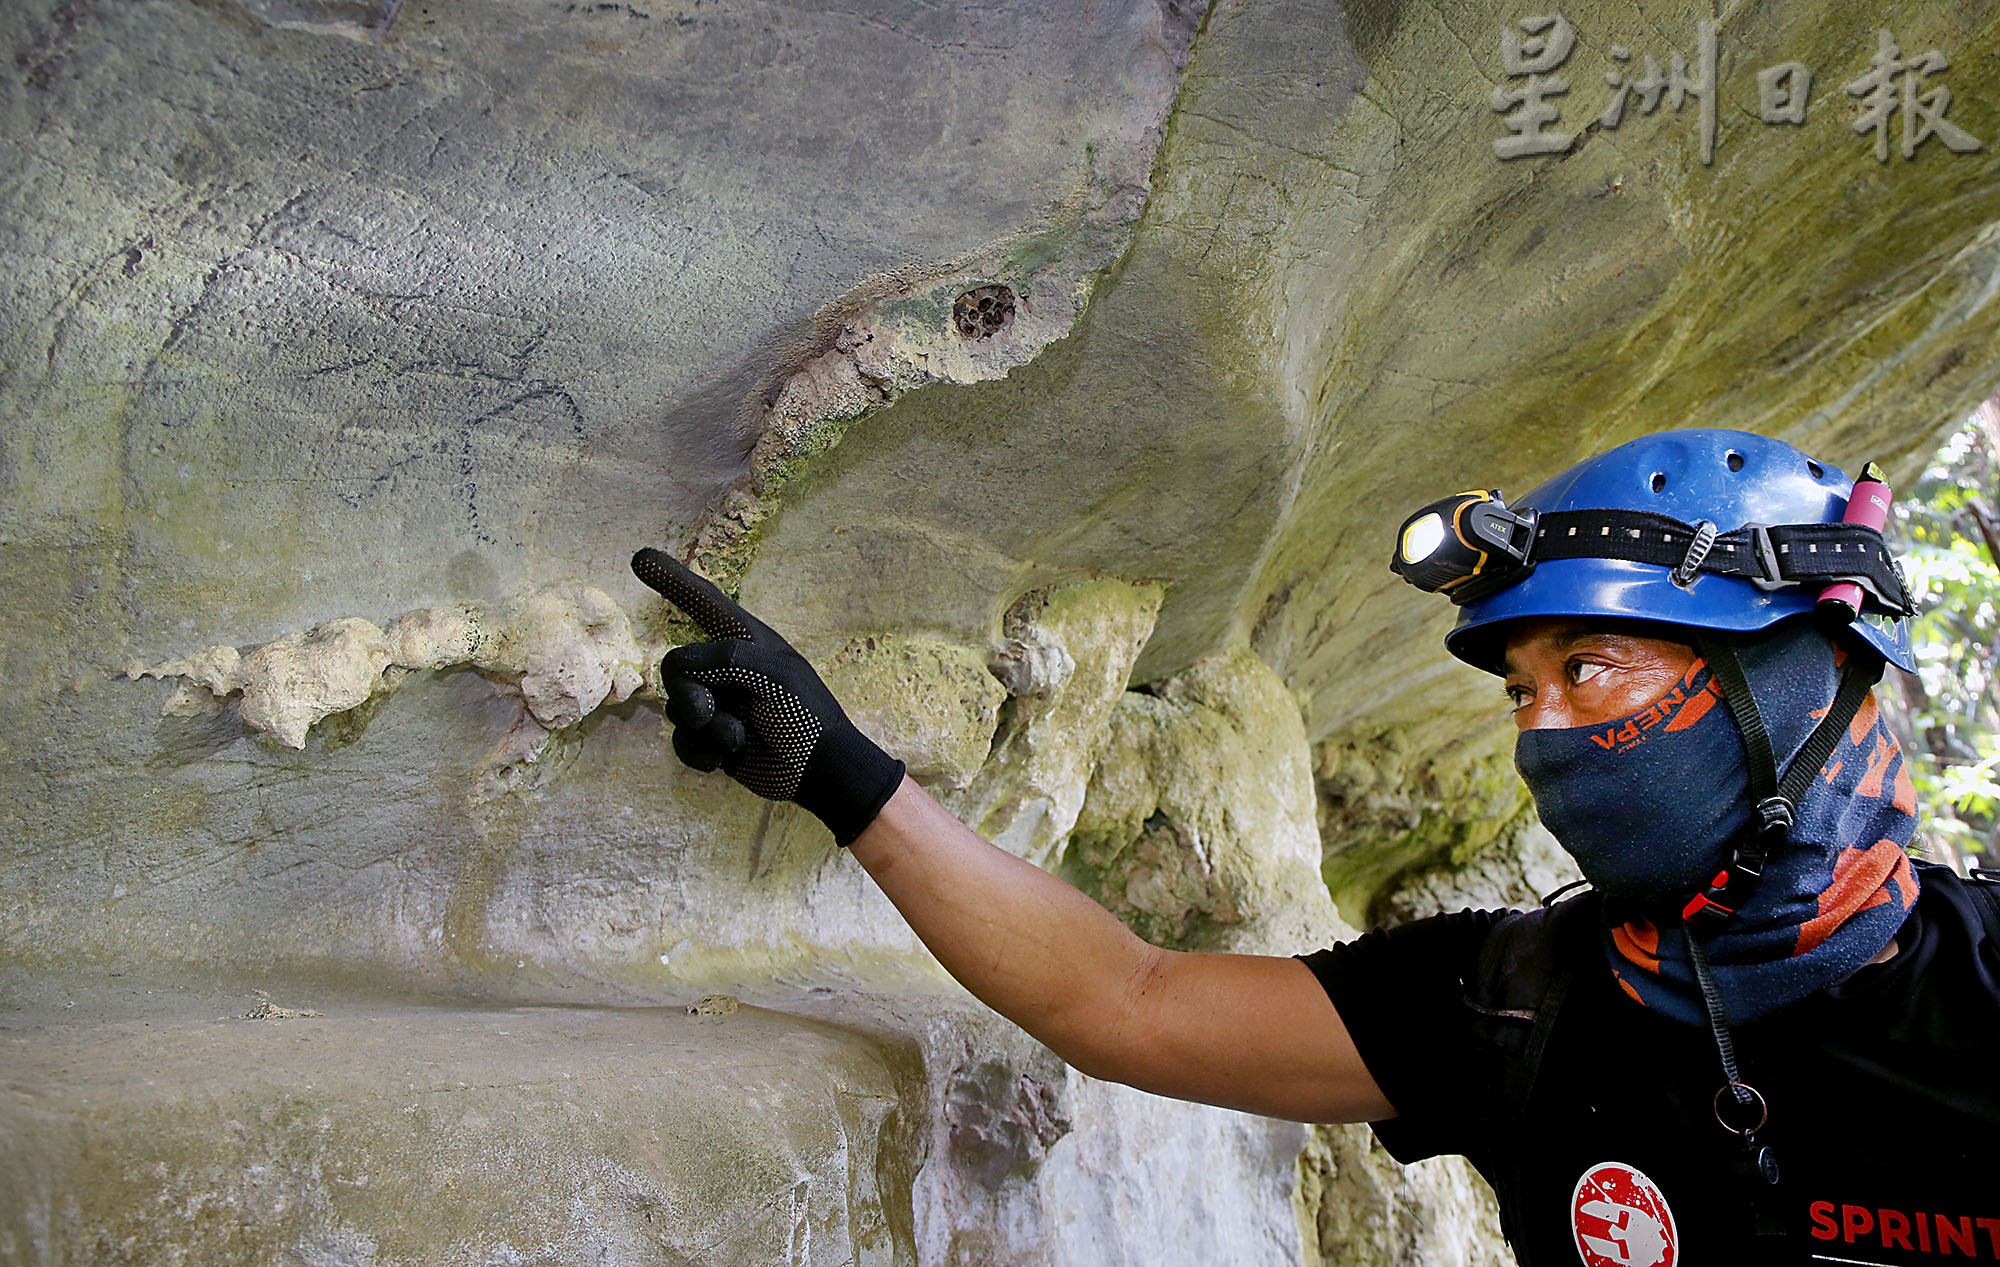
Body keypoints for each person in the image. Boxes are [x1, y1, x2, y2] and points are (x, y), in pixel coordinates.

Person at [632, 428, 2000, 1265]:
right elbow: (1128, 1001)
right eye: (1522, 690)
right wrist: (846, 777)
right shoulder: (1515, 1007)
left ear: (1800, 682)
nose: (1546, 731)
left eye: (1593, 667)